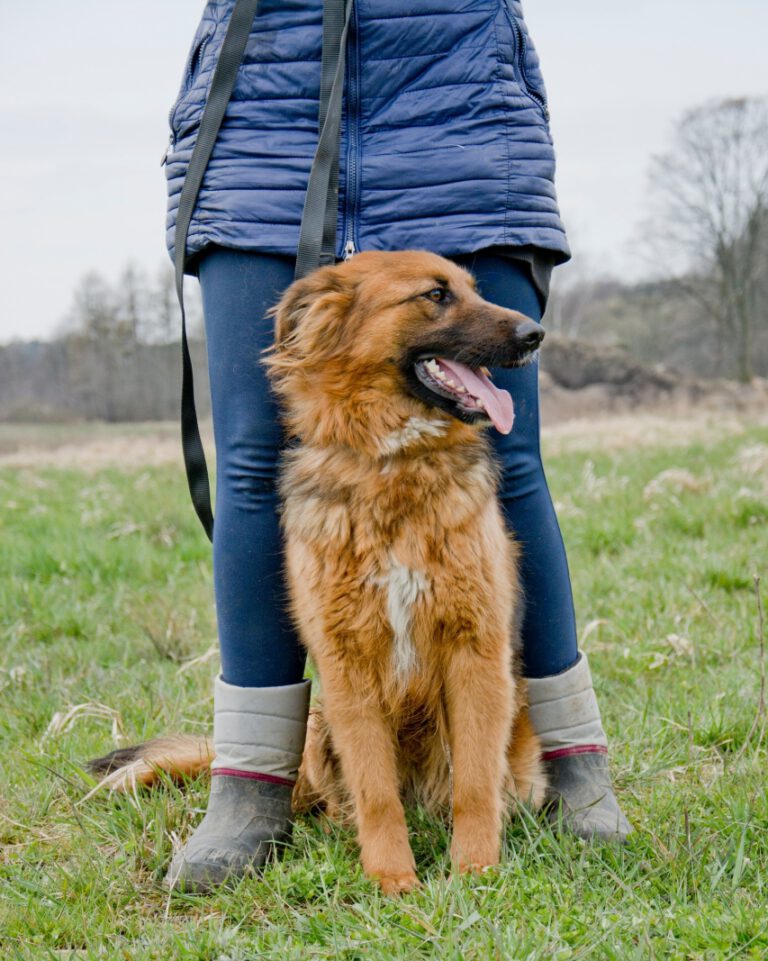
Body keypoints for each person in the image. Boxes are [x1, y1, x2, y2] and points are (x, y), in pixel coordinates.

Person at [162, 0, 631, 890]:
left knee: (508, 450)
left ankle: (571, 761)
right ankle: (254, 782)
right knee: (255, 461)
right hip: (267, 102)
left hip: (456, 97)